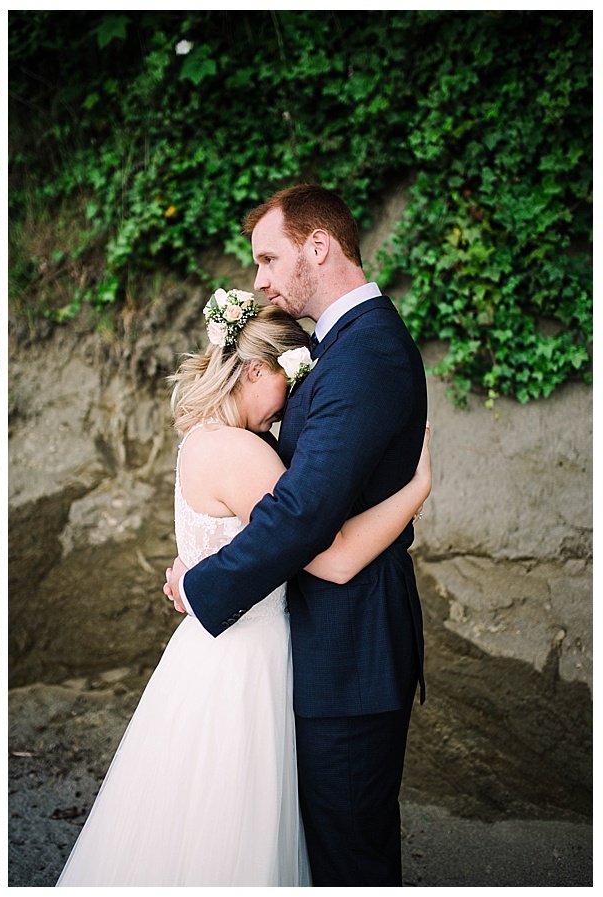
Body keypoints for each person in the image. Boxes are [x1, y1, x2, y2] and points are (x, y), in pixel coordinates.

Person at [57, 298, 430, 886]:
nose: (287, 413)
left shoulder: (199, 441)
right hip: (246, 663)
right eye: (290, 383)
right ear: (256, 371)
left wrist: (191, 575)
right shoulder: (243, 450)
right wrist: (417, 488)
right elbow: (328, 555)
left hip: (210, 652)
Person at [165, 184, 429, 885]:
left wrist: (204, 580)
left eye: (269, 258)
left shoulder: (365, 352)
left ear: (318, 247)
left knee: (351, 859)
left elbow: (303, 511)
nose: (259, 280)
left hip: (352, 652)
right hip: (323, 648)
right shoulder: (338, 345)